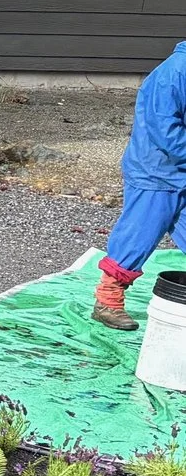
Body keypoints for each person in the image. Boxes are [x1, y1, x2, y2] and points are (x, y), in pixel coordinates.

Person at [95, 38, 186, 331]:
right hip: (155, 172)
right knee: (138, 235)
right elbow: (165, 131)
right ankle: (107, 302)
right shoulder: (173, 74)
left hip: (178, 170)